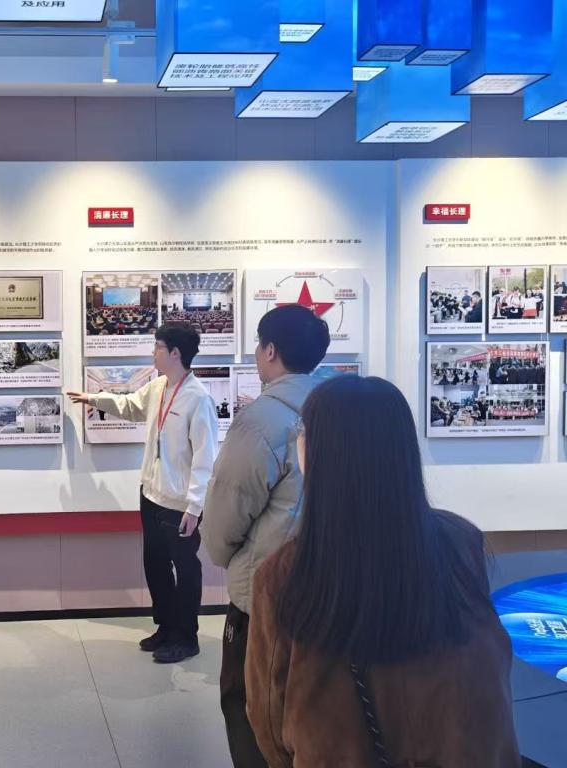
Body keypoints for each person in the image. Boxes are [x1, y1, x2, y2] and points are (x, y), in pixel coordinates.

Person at [246, 376, 519, 767]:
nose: (298, 441)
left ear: (324, 453)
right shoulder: (460, 542)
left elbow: (269, 718)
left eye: (304, 432)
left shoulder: (285, 574)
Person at [202, 305, 330, 768]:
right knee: (312, 714)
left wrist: (224, 557)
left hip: (264, 595)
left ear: (270, 350)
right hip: (327, 591)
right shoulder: (339, 411)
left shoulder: (262, 420)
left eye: (259, 345)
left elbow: (226, 513)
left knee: (249, 709)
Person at [67, 322, 218, 664]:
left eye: (158, 348)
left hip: (179, 504)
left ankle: (186, 637)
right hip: (151, 495)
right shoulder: (159, 387)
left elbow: (205, 459)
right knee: (155, 565)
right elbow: (131, 405)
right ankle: (166, 626)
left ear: (175, 353)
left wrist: (195, 507)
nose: (153, 354)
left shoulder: (198, 398)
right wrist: (94, 398)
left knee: (186, 569)